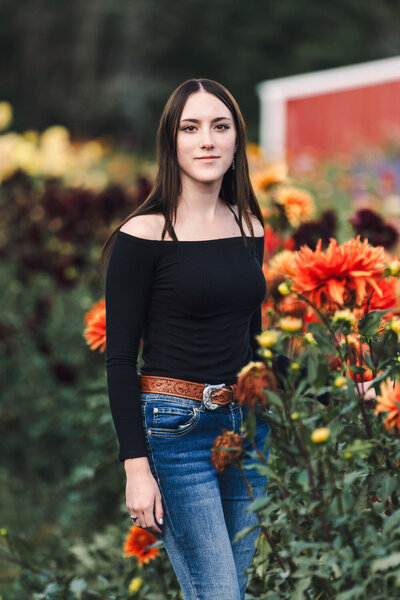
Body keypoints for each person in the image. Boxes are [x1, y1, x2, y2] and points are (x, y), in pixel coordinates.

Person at [101, 78, 271, 600]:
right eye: (191, 128)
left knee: (232, 591)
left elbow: (252, 342)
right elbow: (119, 359)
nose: (207, 141)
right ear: (171, 143)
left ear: (237, 141)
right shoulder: (144, 235)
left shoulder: (248, 225)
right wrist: (136, 468)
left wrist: (329, 390)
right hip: (177, 436)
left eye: (221, 127)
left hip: (247, 433)